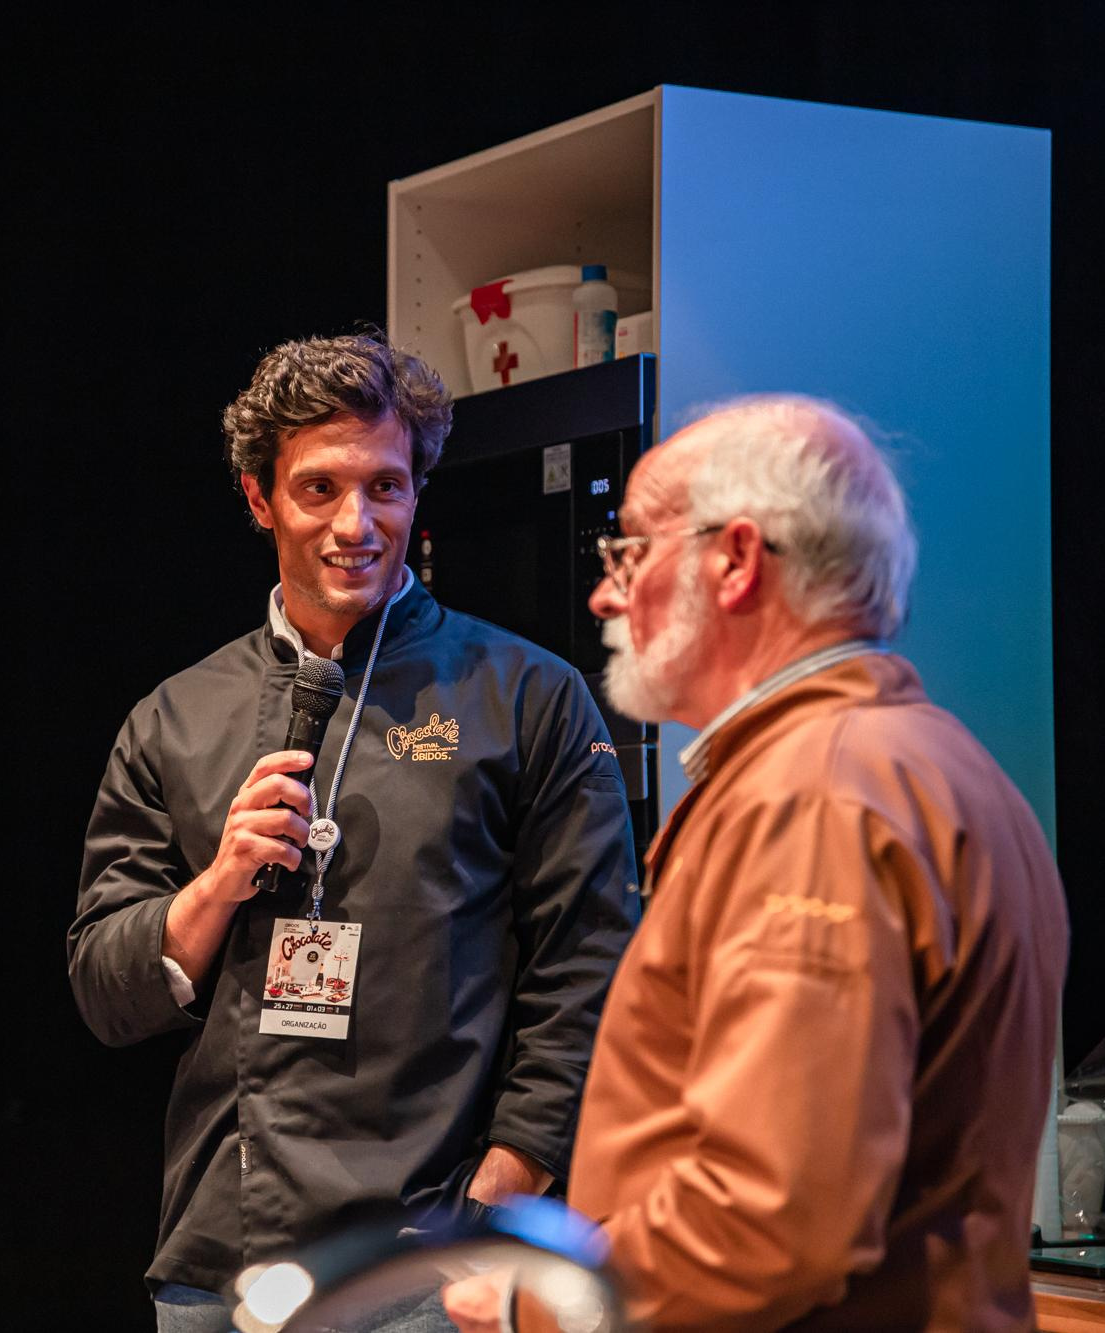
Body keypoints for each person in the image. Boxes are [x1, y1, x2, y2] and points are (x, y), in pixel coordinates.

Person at [448, 394, 1067, 1331]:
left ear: (734, 561)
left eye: (632, 552)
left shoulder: (810, 796)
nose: (605, 594)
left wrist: (546, 1299)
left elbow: (772, 1214)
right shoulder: (934, 761)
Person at [68, 333, 642, 1330]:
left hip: (429, 1253)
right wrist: (216, 885)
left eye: (385, 487)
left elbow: (588, 963)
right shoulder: (175, 716)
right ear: (258, 499)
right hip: (222, 1252)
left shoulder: (525, 697)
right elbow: (102, 991)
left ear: (418, 492)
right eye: (318, 489)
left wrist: (503, 1192)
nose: (355, 523)